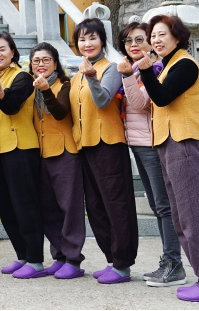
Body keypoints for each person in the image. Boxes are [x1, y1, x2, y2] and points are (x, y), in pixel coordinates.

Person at [139, 15, 199, 303]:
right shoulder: (167, 68)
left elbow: (162, 98)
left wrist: (147, 70)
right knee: (181, 218)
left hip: (186, 144)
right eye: (153, 36)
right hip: (169, 145)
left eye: (162, 34)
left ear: (178, 37)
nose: (156, 40)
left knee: (194, 218)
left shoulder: (185, 64)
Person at [116, 22, 185, 287]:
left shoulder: (153, 69)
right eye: (127, 41)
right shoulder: (135, 69)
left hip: (152, 145)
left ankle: (174, 264)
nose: (133, 45)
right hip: (138, 144)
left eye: (139, 39)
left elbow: (140, 103)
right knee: (158, 206)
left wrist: (125, 77)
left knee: (164, 206)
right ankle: (168, 262)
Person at [70, 18, 138, 284]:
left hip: (108, 144)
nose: (87, 44)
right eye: (82, 40)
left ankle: (123, 264)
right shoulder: (77, 74)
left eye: (92, 38)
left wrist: (90, 77)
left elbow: (101, 100)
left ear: (102, 41)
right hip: (84, 145)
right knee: (96, 207)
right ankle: (111, 260)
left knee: (116, 204)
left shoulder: (109, 69)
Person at [0, 32, 46, 279]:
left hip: (21, 148)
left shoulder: (22, 76)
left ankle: (36, 260)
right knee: (7, 207)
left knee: (25, 205)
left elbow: (11, 105)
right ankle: (22, 255)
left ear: (12, 52)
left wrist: (0, 92)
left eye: (2, 49)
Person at [28, 42, 85, 279]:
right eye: (36, 61)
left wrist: (45, 90)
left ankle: (73, 259)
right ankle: (59, 256)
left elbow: (60, 112)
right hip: (40, 153)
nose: (41, 64)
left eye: (46, 60)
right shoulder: (31, 88)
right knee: (48, 209)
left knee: (69, 208)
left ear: (55, 63)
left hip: (65, 152)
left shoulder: (65, 84)